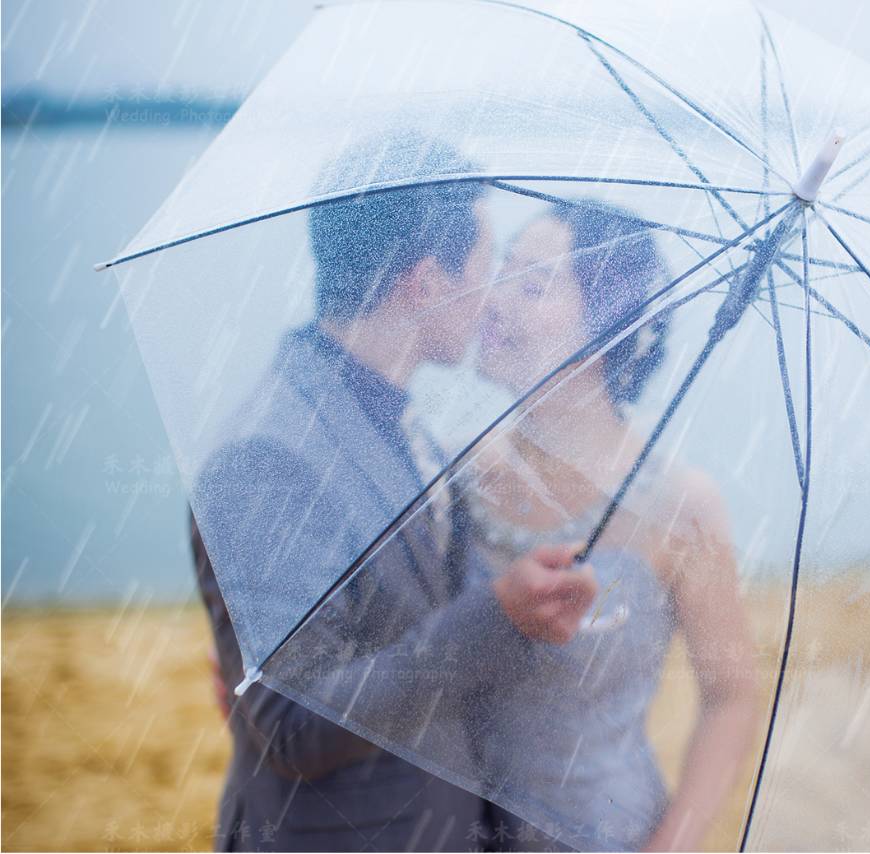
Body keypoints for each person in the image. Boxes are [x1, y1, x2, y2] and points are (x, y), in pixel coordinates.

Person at [191, 134, 596, 852]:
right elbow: (291, 723)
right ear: (426, 281)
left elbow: (409, 617)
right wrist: (492, 618)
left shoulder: (405, 418)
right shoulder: (266, 456)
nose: (494, 297)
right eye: (482, 267)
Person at [416, 200, 759, 851]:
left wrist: (674, 846)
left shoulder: (681, 503)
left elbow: (731, 695)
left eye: (534, 284)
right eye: (503, 272)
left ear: (607, 320)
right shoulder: (449, 470)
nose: (496, 300)